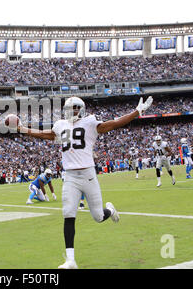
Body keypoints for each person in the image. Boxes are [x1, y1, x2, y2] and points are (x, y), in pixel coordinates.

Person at [16, 95, 153, 269]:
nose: (71, 111)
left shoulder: (89, 122)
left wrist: (136, 112)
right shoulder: (60, 125)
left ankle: (109, 210)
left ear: (81, 109)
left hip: (88, 174)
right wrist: (23, 129)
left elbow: (113, 124)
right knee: (68, 214)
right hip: (70, 177)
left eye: (74, 108)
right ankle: (70, 260)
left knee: (97, 216)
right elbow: (46, 135)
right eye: (69, 108)